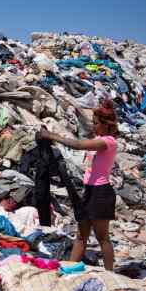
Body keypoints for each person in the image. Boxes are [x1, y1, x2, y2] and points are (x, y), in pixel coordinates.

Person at [39, 99, 118, 270]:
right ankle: (69, 269)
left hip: (101, 192)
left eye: (96, 123)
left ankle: (111, 273)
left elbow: (79, 145)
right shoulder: (99, 138)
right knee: (81, 236)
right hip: (89, 191)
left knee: (102, 237)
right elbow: (83, 134)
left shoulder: (108, 141)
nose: (94, 126)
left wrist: (51, 136)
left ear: (106, 125)